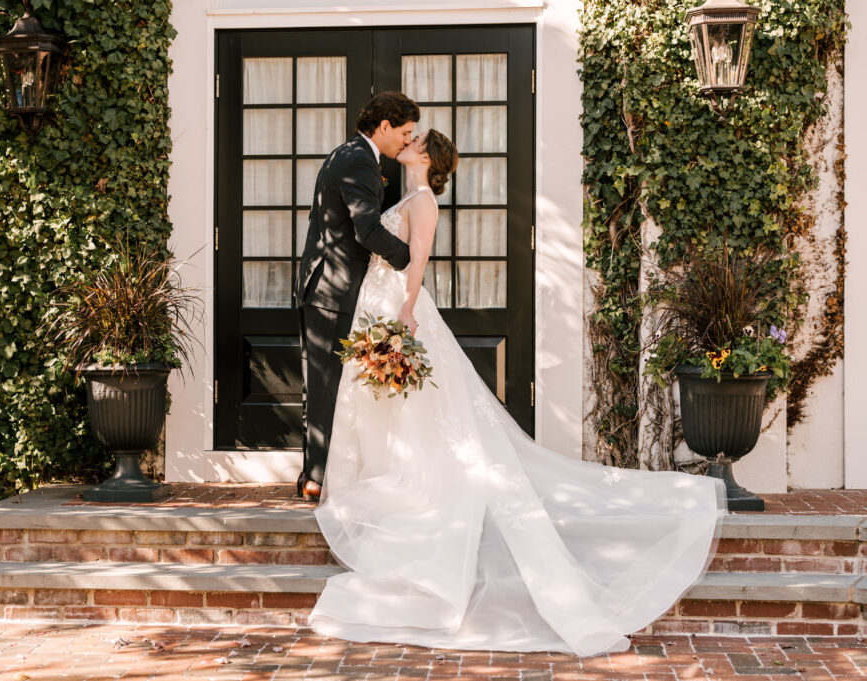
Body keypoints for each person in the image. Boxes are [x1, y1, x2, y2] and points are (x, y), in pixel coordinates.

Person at [309, 129, 728, 658]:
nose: (408, 143)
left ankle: (419, 486)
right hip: (375, 302)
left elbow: (416, 261)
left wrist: (407, 311)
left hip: (398, 307)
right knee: (393, 405)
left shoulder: (424, 202)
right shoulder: (404, 197)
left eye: (416, 141)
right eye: (408, 137)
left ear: (429, 158)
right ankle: (392, 475)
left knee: (417, 404)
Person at [294, 92, 420, 502]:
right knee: (325, 384)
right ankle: (315, 479)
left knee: (325, 382)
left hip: (328, 284)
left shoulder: (350, 154)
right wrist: (410, 257)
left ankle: (316, 475)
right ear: (383, 126)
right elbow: (366, 230)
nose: (406, 141)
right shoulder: (359, 160)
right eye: (404, 132)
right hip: (332, 287)